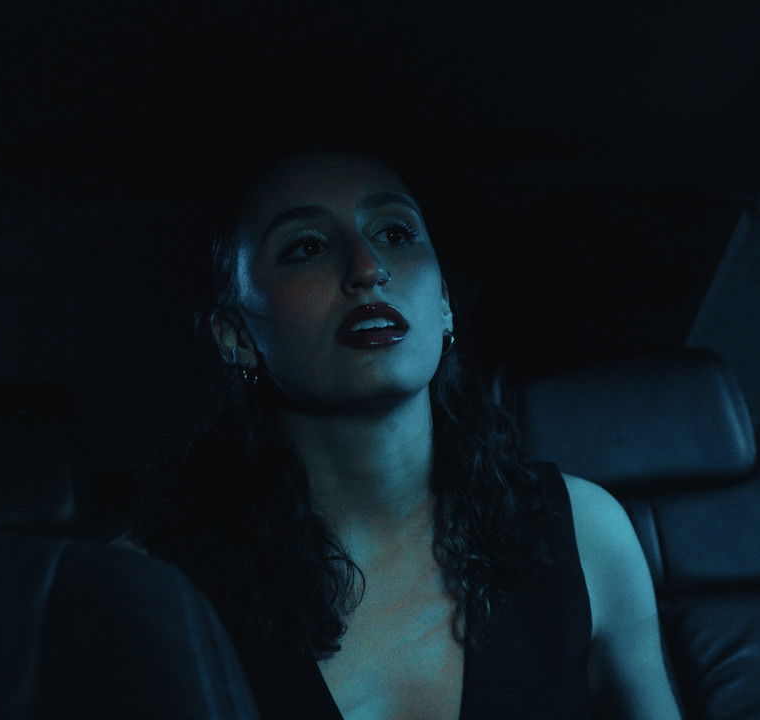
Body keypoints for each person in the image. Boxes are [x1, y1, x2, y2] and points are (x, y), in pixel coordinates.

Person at [132, 149, 681, 720]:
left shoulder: (587, 534)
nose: (368, 268)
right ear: (236, 335)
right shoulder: (153, 589)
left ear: (444, 305)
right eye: (307, 247)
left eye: (395, 233)